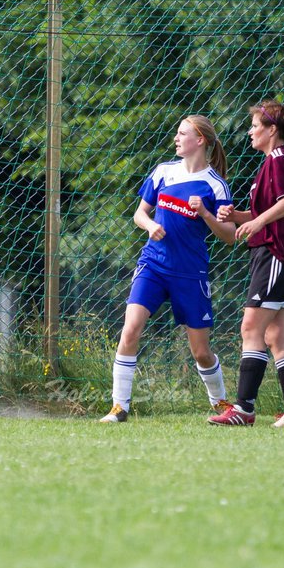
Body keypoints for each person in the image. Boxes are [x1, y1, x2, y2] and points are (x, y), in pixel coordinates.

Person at [100, 116, 236, 423]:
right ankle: (119, 407)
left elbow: (229, 235)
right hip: (153, 265)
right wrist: (150, 226)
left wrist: (205, 213)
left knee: (200, 352)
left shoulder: (215, 184)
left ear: (200, 140)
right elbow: (139, 214)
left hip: (190, 273)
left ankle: (220, 403)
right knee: (130, 329)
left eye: (182, 133)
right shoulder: (163, 171)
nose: (176, 138)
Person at [209, 100, 284, 428]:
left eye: (255, 125)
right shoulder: (268, 165)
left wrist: (256, 224)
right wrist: (238, 217)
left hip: (277, 255)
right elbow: (263, 213)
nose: (250, 131)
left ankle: (243, 408)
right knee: (274, 335)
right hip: (274, 256)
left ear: (271, 130)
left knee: (250, 328)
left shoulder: (281, 160)